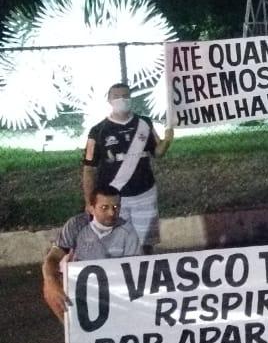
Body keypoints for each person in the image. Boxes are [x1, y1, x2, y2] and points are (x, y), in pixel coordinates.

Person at [82, 82, 173, 254]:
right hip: (113, 199)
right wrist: (89, 202)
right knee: (115, 243)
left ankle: (146, 273)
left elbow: (157, 152)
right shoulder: (98, 131)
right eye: (117, 97)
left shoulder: (144, 123)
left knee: (146, 242)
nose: (122, 100)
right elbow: (89, 169)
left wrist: (167, 140)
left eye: (125, 96)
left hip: (145, 193)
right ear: (109, 100)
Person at [42, 187, 141, 320]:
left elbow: (135, 270)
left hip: (114, 287)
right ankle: (70, 330)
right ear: (91, 208)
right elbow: (53, 257)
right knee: (50, 289)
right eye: (104, 207)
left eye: (116, 207)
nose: (112, 212)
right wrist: (50, 281)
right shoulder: (76, 225)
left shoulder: (128, 232)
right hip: (79, 284)